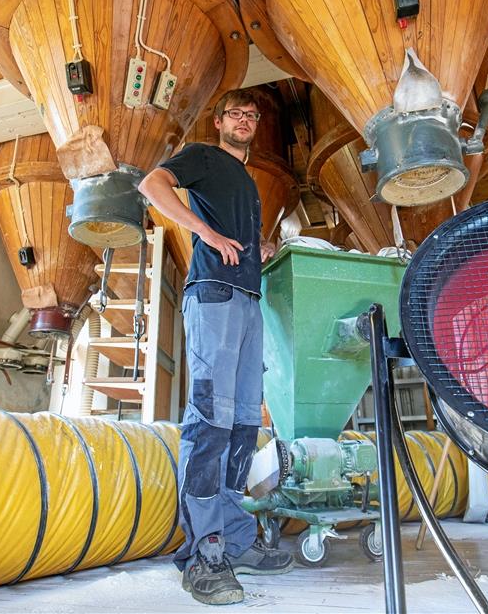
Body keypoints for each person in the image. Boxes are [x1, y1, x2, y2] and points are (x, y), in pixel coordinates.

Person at [139, 89, 293, 605]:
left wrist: (262, 248)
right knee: (210, 419)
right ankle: (202, 551)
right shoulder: (204, 157)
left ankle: (234, 540)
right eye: (236, 114)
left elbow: (240, 240)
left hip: (249, 300)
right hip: (214, 296)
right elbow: (151, 184)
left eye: (252, 116)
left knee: (245, 422)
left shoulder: (247, 183)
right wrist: (203, 233)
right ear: (219, 120)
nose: (245, 121)